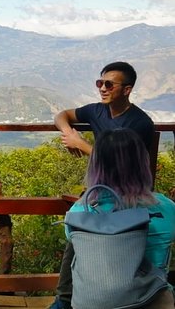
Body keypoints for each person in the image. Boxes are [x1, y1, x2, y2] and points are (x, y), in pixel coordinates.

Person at [50, 61, 156, 309]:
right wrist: (68, 132)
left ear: (127, 89)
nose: (103, 88)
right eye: (100, 83)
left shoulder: (139, 123)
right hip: (101, 192)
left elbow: (125, 164)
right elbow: (62, 115)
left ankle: (67, 301)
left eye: (109, 84)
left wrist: (82, 144)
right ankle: (65, 298)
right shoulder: (97, 111)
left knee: (80, 228)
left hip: (128, 193)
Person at [65, 128, 175, 308]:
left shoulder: (79, 212)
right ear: (142, 163)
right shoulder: (166, 209)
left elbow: (72, 238)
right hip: (153, 300)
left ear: (95, 165)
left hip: (94, 302)